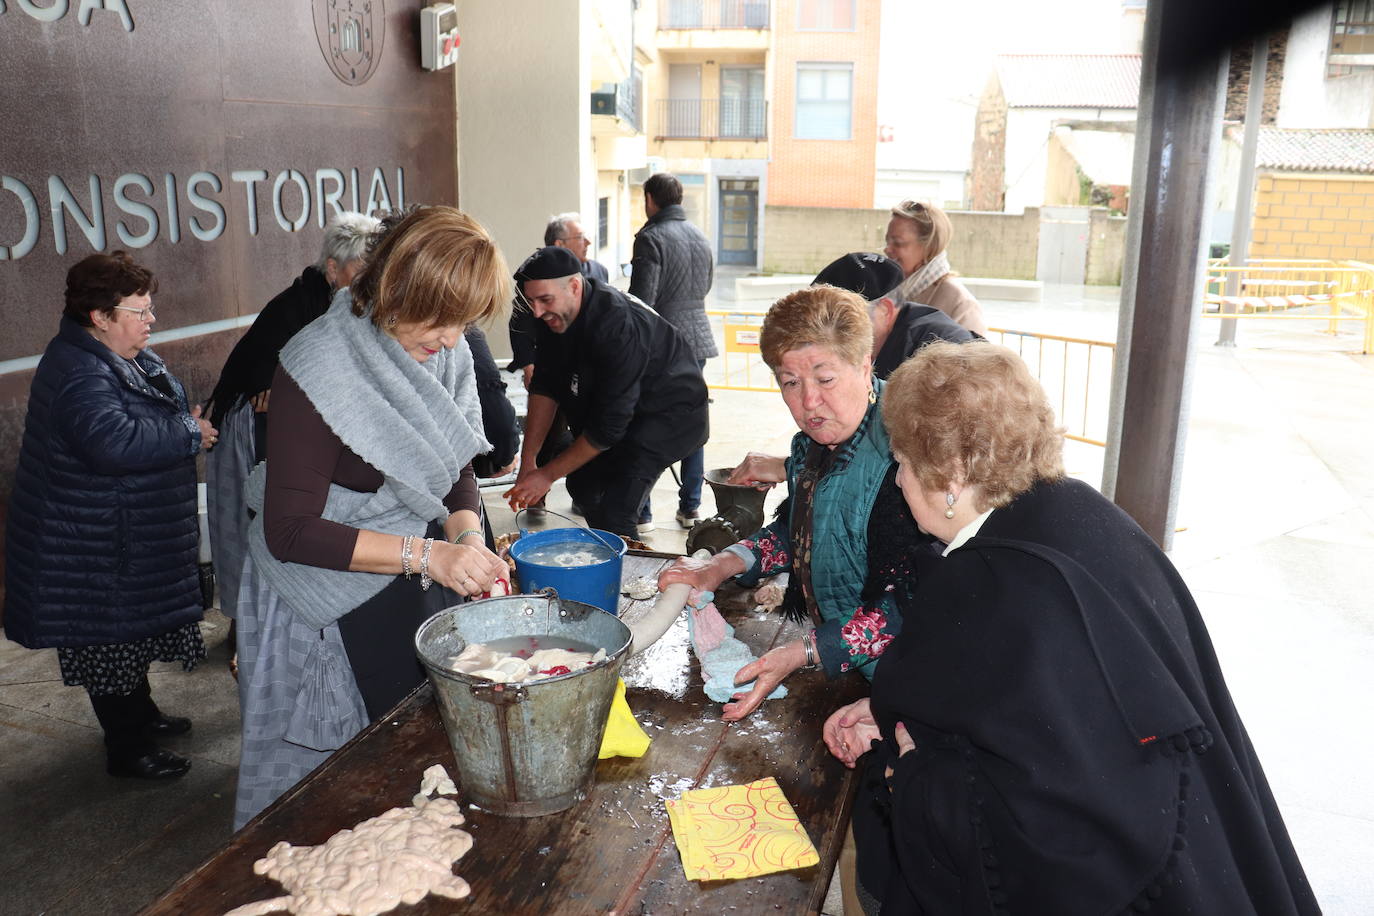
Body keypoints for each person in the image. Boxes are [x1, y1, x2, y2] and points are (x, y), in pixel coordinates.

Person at [825, 341, 1320, 915]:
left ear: (954, 472)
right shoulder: (1082, 511)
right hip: (1199, 849)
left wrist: (908, 768)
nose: (899, 479)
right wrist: (894, 715)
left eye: (904, 463)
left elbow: (1031, 829)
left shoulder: (982, 581)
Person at [232, 207, 509, 828]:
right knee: (336, 792)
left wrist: (466, 536)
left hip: (406, 577)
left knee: (416, 756)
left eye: (463, 323)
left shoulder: (442, 350)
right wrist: (431, 555)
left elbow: (454, 462)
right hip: (320, 589)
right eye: (439, 320)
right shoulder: (318, 363)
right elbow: (290, 531)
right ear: (393, 291)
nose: (451, 341)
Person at [657, 286, 936, 721]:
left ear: (865, 366)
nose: (809, 402)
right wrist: (721, 564)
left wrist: (806, 651)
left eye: (825, 380)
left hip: (910, 680)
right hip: (847, 665)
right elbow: (799, 531)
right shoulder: (810, 447)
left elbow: (913, 602)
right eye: (791, 383)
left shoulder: (905, 456)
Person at [4, 251, 217, 780]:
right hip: (91, 542)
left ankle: (141, 717)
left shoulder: (110, 355)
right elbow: (113, 444)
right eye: (140, 311)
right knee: (109, 645)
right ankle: (128, 750)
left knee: (128, 634)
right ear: (100, 315)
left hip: (112, 530)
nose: (151, 321)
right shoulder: (80, 370)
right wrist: (189, 433)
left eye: (150, 309)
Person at [204, 211, 380, 626]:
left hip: (287, 426)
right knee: (256, 530)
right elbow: (272, 388)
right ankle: (247, 623)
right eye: (360, 270)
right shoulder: (301, 308)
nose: (369, 281)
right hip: (250, 431)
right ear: (333, 268)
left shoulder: (343, 305)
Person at [504, 245, 708, 540]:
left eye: (545, 300)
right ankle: (606, 548)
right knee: (583, 484)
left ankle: (625, 574)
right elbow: (545, 387)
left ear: (574, 286)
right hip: (626, 411)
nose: (537, 311)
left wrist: (546, 476)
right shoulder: (552, 315)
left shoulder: (616, 324)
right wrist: (529, 462)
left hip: (671, 415)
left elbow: (608, 429)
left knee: (617, 509)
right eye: (531, 301)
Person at [629, 173, 716, 530]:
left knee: (646, 423)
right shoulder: (700, 236)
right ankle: (691, 507)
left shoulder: (651, 238)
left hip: (662, 346)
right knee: (692, 420)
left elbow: (641, 303)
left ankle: (643, 511)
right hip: (698, 341)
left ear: (651, 199)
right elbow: (707, 285)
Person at [812, 251, 980, 379]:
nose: (825, 329)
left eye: (841, 317)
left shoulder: (935, 356)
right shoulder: (877, 342)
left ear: (885, 310)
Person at [884, 200, 988, 336]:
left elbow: (974, 356)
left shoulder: (961, 305)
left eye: (898, 243)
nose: (887, 249)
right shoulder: (888, 291)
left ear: (929, 247)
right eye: (887, 241)